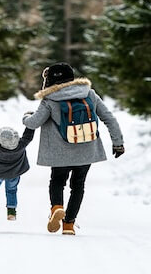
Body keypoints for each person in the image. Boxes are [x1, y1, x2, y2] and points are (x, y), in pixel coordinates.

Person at [22, 62, 126, 236]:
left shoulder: (50, 99)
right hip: (86, 150)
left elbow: (34, 122)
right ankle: (69, 225)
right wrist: (118, 143)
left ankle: (57, 207)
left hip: (59, 153)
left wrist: (25, 117)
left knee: (57, 181)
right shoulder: (89, 94)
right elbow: (109, 118)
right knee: (78, 185)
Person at [0, 126, 35, 220]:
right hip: (14, 173)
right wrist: (30, 123)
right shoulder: (21, 145)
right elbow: (28, 136)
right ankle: (11, 212)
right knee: (11, 190)